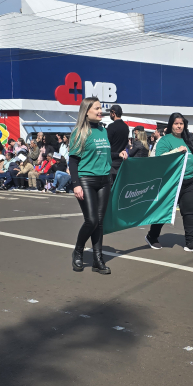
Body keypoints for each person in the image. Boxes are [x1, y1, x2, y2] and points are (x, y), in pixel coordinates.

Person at [145, 112, 193, 253]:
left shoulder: (187, 140)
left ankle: (190, 242)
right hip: (172, 182)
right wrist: (177, 151)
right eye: (176, 123)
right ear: (171, 125)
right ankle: (152, 236)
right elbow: (160, 159)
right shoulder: (165, 141)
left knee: (189, 212)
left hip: (189, 182)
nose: (179, 126)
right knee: (165, 210)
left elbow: (192, 163)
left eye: (181, 124)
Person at [69, 97, 113, 274]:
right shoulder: (79, 132)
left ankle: (98, 260)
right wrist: (76, 184)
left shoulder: (103, 130)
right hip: (86, 180)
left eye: (100, 108)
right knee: (92, 220)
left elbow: (103, 153)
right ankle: (78, 251)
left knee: (100, 222)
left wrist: (120, 154)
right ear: (86, 111)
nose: (100, 111)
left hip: (104, 180)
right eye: (96, 108)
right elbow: (73, 161)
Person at [106, 104, 129, 182]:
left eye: (110, 113)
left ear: (113, 113)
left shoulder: (111, 127)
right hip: (122, 162)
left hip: (112, 162)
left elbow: (107, 144)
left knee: (111, 186)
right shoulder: (126, 127)